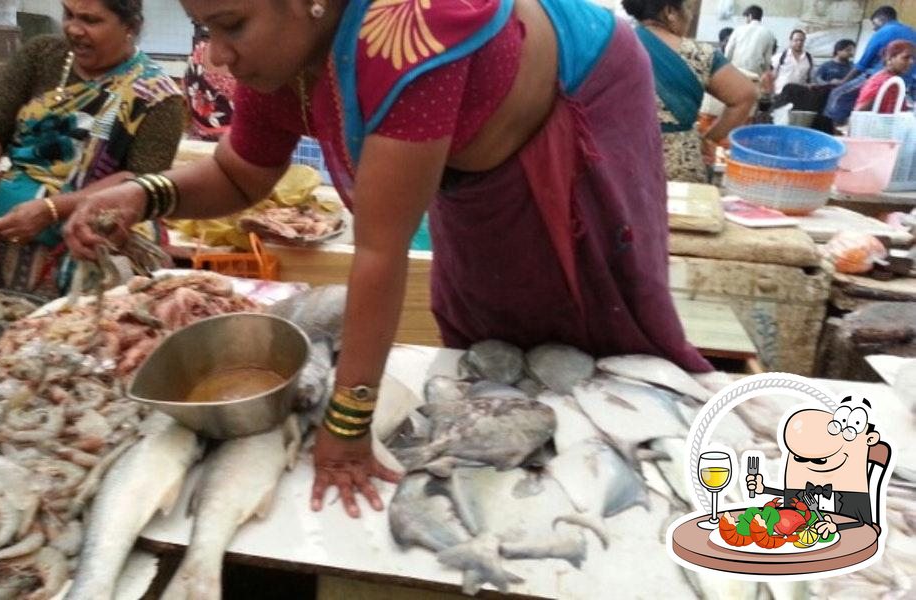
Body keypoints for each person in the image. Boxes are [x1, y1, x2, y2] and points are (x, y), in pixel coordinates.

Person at [64, 0, 713, 518]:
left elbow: (380, 251)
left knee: (597, 297)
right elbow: (240, 174)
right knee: (480, 306)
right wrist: (143, 195)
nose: (218, 54)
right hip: (472, 148)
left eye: (230, 26)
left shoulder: (412, 31)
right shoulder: (280, 56)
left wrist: (347, 430)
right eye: (205, 28)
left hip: (579, 86)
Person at [0, 0, 186, 296]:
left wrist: (51, 209)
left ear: (130, 28)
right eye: (68, 14)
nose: (73, 28)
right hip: (13, 193)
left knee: (100, 254)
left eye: (90, 20)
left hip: (100, 205)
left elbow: (141, 181)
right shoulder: (41, 55)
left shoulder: (159, 95)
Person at [626, 0, 757, 182]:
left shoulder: (615, 47)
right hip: (679, 164)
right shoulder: (700, 54)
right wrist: (709, 139)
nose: (690, 16)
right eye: (688, 9)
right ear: (670, 11)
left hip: (623, 160)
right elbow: (746, 95)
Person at [745, 396, 887, 534]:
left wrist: (837, 527)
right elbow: (794, 498)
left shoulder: (851, 484)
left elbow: (864, 526)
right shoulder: (803, 475)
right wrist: (764, 489)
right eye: (800, 458)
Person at [827, 6, 916, 124]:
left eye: (874, 23)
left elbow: (863, 63)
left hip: (877, 76)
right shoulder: (912, 32)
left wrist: (843, 82)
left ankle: (830, 130)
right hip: (905, 83)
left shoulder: (885, 30)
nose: (874, 28)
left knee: (837, 95)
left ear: (881, 19)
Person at [184, 24, 236, 141]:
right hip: (243, 149)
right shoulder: (255, 62)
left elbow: (188, 101)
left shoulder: (197, 55)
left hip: (198, 146)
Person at [855, 40, 916, 112]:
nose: (911, 62)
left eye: (913, 58)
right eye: (906, 58)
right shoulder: (883, 82)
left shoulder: (894, 80)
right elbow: (860, 111)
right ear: (889, 59)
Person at [725, 5, 776, 79]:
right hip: (755, 74)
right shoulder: (768, 33)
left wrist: (726, 67)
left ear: (750, 16)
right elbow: (767, 60)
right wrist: (765, 73)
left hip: (736, 71)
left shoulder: (738, 30)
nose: (745, 20)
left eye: (746, 17)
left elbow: (729, 50)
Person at [769, 30, 814, 96]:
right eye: (796, 40)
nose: (799, 43)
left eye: (801, 40)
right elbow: (770, 76)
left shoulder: (809, 58)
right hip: (781, 95)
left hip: (799, 96)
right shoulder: (780, 57)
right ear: (790, 41)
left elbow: (810, 78)